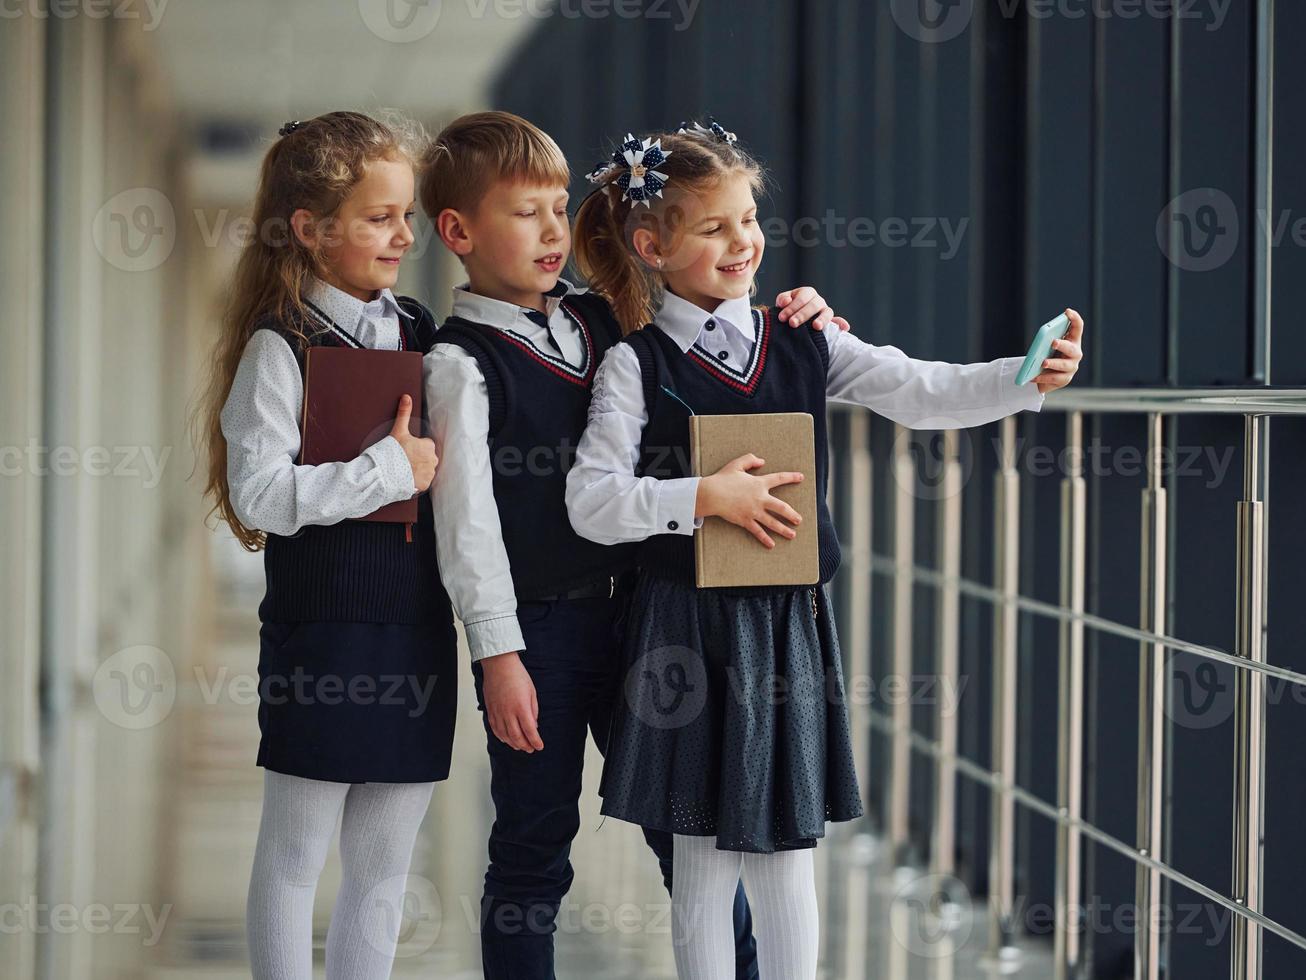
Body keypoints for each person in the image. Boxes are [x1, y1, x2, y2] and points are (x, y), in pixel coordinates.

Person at [565, 119, 1084, 979]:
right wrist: (705, 497)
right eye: (713, 227)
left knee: (786, 855)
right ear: (652, 247)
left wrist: (1021, 378)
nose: (743, 241)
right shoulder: (636, 364)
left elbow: (919, 390)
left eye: (747, 219)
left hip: (784, 625)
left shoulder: (806, 339)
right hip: (684, 628)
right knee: (700, 860)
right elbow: (591, 501)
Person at [418, 109, 846, 980]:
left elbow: (709, 339)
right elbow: (467, 528)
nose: (549, 230)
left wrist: (801, 312)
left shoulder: (604, 324)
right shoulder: (458, 363)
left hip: (651, 623)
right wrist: (499, 655)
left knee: (692, 827)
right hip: (540, 638)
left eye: (554, 207)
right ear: (459, 232)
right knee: (534, 847)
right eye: (521, 211)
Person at [199, 110, 455, 980]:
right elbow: (259, 494)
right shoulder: (282, 346)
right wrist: (390, 468)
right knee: (295, 854)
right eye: (381, 216)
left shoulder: (424, 331)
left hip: (417, 627)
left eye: (407, 214)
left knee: (385, 867)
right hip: (322, 630)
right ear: (310, 230)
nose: (403, 233)